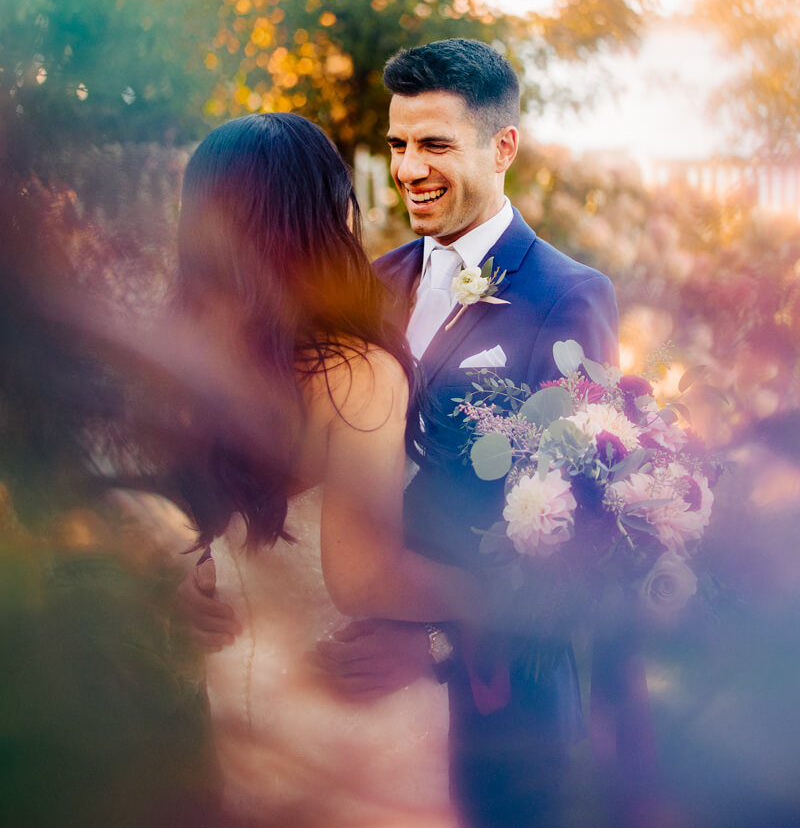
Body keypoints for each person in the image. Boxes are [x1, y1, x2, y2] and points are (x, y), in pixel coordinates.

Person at [183, 40, 620, 828]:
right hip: (325, 699)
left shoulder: (569, 298)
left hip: (498, 718)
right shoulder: (366, 285)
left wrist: (439, 647)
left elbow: (582, 536)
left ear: (503, 147)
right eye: (399, 145)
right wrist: (203, 565)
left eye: (436, 144)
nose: (409, 167)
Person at [172, 111, 477, 828]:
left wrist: (178, 579)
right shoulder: (355, 370)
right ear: (325, 217)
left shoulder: (192, 360)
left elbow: (180, 518)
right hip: (357, 716)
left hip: (249, 696)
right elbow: (362, 576)